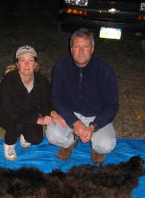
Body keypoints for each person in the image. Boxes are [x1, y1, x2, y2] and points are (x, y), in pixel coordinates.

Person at [46, 28, 119, 164]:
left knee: (106, 145)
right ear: (71, 49)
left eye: (85, 47)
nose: (80, 51)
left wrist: (94, 126)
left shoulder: (105, 71)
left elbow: (112, 105)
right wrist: (74, 122)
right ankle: (69, 143)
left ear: (92, 49)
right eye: (77, 46)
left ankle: (96, 148)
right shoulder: (61, 67)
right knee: (53, 135)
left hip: (96, 116)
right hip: (71, 113)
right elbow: (56, 98)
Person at [0, 45, 53, 161]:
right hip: (5, 114)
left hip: (27, 111)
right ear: (17, 64)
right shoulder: (8, 82)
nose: (26, 64)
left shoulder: (42, 81)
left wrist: (51, 113)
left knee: (36, 139)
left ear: (35, 64)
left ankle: (23, 133)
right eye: (22, 60)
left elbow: (46, 102)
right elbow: (10, 111)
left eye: (30, 60)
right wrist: (37, 120)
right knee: (17, 124)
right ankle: (9, 145)